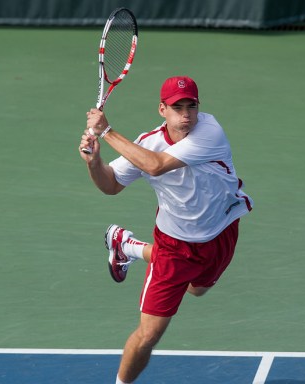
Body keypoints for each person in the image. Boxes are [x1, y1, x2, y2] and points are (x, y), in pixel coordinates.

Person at [78, 76, 253, 384]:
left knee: (197, 289)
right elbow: (111, 185)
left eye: (191, 106)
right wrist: (94, 163)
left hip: (221, 231)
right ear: (162, 109)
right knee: (148, 335)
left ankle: (126, 246)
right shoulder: (148, 144)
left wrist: (105, 131)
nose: (185, 115)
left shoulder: (210, 132)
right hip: (173, 246)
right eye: (177, 107)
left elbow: (156, 166)